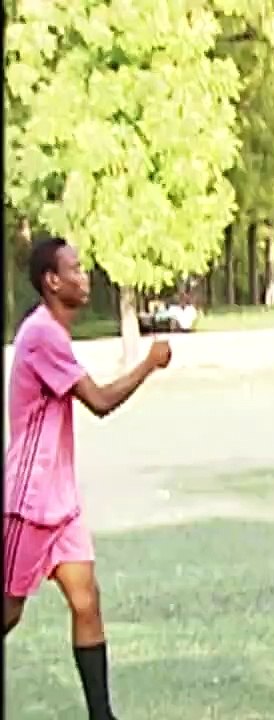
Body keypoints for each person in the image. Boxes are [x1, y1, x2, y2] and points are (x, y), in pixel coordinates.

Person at [4, 236, 172, 720]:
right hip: (29, 501)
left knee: (86, 602)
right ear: (51, 282)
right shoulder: (43, 335)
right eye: (75, 270)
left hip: (61, 504)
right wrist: (149, 364)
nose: (85, 277)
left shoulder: (52, 333)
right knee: (10, 610)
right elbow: (97, 401)